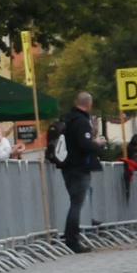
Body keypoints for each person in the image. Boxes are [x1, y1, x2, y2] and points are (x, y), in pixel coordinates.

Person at [50, 91, 102, 253]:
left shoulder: (66, 119)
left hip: (66, 166)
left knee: (74, 201)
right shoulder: (82, 121)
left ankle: (70, 237)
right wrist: (98, 143)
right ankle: (72, 239)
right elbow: (85, 145)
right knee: (76, 203)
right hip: (80, 167)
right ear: (88, 104)